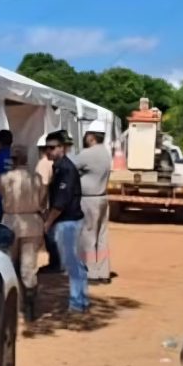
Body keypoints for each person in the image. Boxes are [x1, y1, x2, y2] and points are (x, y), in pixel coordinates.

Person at [43, 130, 89, 314]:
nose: (49, 151)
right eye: (46, 148)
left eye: (53, 147)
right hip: (68, 220)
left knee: (72, 264)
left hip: (68, 221)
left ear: (62, 148)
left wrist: (48, 222)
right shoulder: (59, 167)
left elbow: (60, 202)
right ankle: (81, 300)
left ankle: (77, 302)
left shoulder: (66, 169)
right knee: (75, 263)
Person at [0, 146, 46, 322]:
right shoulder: (37, 179)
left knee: (10, 264)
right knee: (29, 266)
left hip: (12, 222)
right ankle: (30, 307)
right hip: (32, 223)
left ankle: (15, 304)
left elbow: (3, 195)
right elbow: (42, 198)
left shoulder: (6, 178)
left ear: (13, 160)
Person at [74, 121, 113, 284]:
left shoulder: (87, 154)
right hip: (103, 197)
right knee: (102, 236)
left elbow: (70, 167)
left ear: (91, 137)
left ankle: (91, 272)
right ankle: (103, 272)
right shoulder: (106, 153)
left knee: (88, 236)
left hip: (89, 199)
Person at [35, 133, 62, 274]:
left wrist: (41, 205)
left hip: (46, 204)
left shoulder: (43, 164)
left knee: (49, 234)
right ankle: (58, 262)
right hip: (54, 202)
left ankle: (55, 263)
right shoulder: (55, 163)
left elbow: (44, 186)